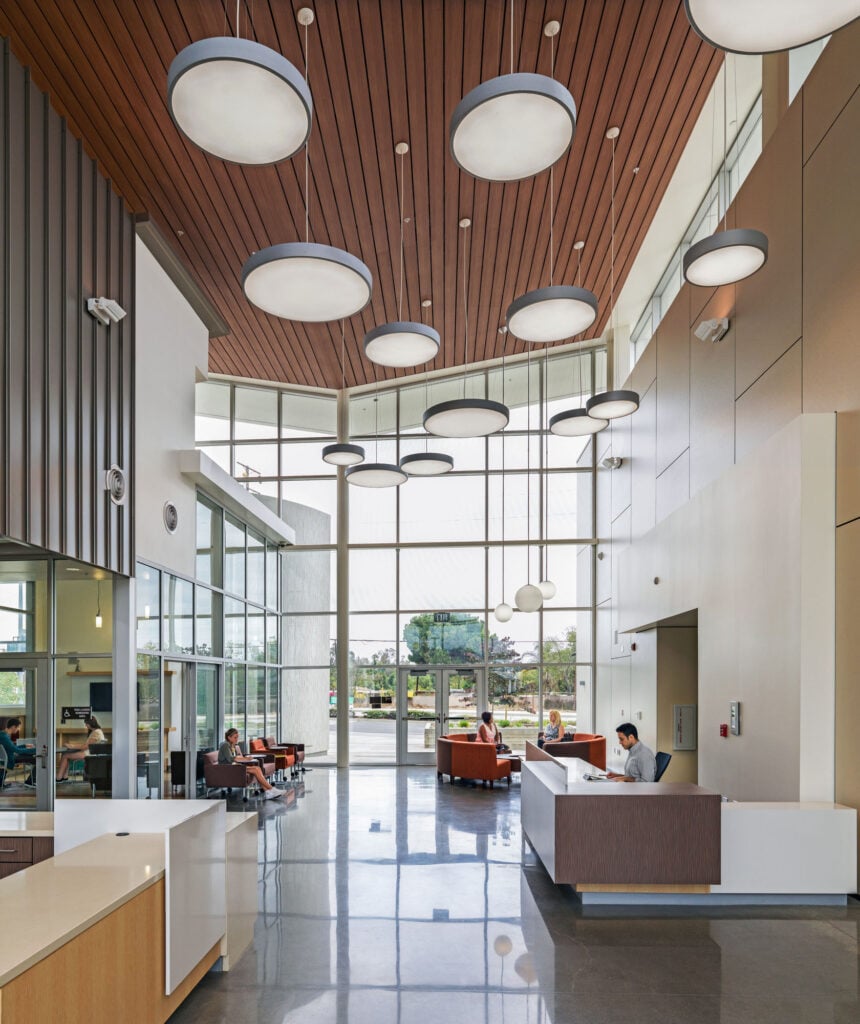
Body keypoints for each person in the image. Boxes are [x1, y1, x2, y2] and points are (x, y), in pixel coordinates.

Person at [219, 729, 283, 800]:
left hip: (234, 767)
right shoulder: (225, 745)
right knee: (255, 770)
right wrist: (245, 759)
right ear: (229, 737)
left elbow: (237, 756)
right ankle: (271, 789)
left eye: (237, 737)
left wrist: (245, 758)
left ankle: (268, 792)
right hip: (227, 770)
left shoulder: (232, 745)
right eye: (235, 737)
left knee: (257, 768)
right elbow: (231, 759)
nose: (237, 739)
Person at [56, 715, 105, 782]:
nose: (85, 725)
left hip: (88, 754)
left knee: (65, 756)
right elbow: (86, 745)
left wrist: (71, 746)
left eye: (86, 724)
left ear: (91, 723)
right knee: (66, 754)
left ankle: (59, 777)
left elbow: (86, 747)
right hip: (90, 753)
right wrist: (72, 746)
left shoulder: (96, 732)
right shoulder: (97, 731)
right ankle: (64, 776)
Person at [0, 718, 35, 785]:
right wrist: (35, 750)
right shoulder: (4, 737)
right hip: (10, 759)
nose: (19, 729)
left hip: (7, 757)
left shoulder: (3, 735)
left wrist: (25, 746)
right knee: (37, 758)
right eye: (18, 727)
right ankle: (31, 781)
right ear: (13, 727)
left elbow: (13, 748)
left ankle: (31, 780)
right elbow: (17, 750)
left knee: (33, 757)